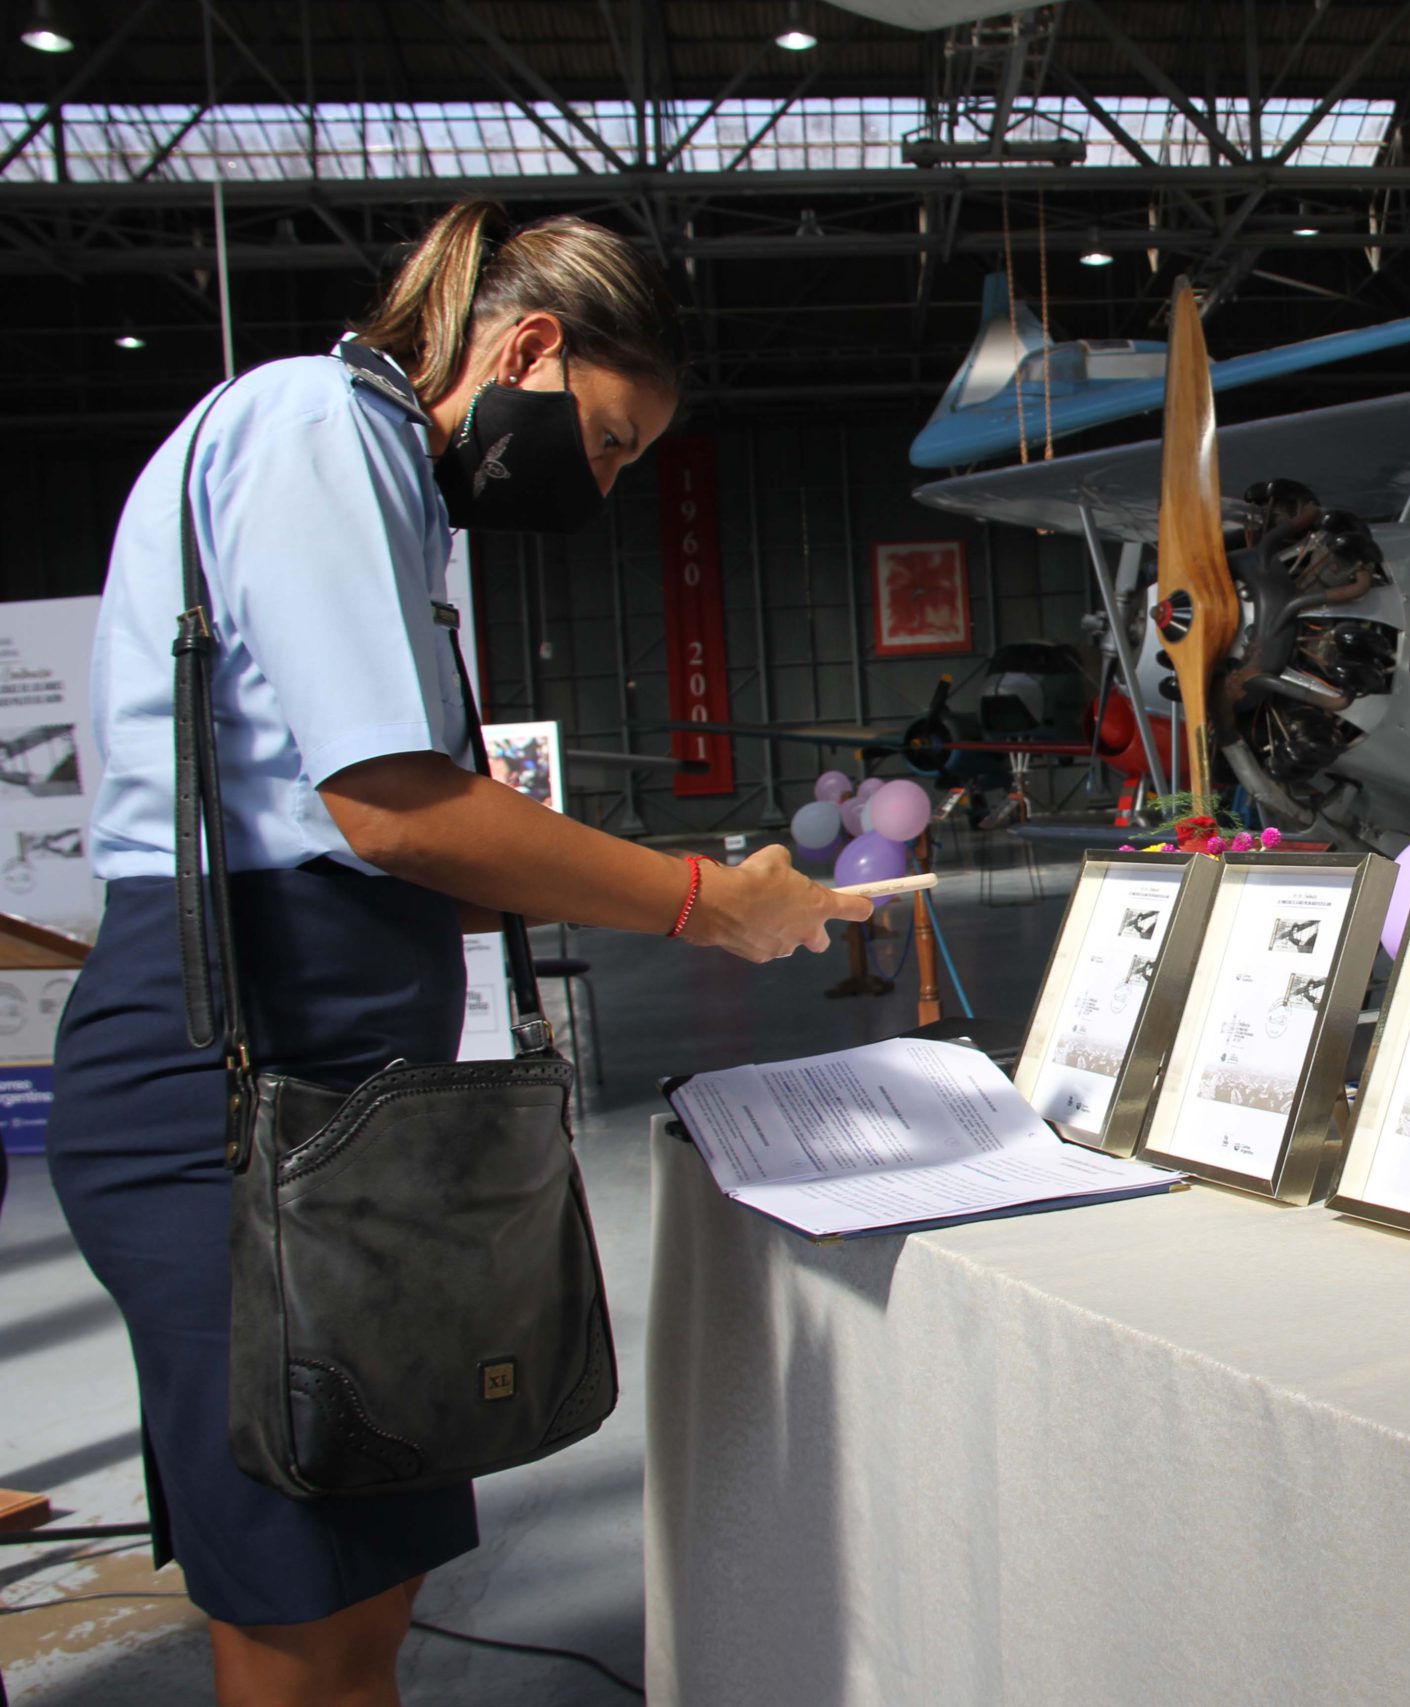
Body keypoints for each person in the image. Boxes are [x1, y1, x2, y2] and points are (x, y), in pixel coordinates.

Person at [49, 200, 872, 1707]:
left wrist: (718, 891)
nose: (606, 485)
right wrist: (705, 901)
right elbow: (392, 811)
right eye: (612, 444)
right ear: (531, 347)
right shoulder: (317, 424)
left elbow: (403, 839)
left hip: (347, 1096)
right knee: (305, 1634)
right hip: (240, 1087)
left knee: (363, 1609)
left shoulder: (393, 487)